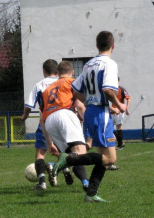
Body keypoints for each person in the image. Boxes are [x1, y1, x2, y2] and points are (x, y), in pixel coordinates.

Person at [53, 31, 126, 203]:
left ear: (96, 45)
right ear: (113, 46)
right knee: (110, 159)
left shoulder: (88, 65)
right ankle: (70, 159)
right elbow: (108, 90)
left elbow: (75, 89)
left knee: (102, 156)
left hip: (92, 111)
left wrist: (91, 101)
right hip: (101, 114)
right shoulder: (109, 64)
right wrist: (119, 104)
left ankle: (91, 193)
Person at [21, 59, 74, 190]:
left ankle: (42, 183)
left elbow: (29, 105)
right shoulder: (62, 82)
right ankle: (66, 168)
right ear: (57, 71)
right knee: (64, 150)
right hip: (62, 121)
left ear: (44, 71)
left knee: (40, 153)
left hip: (46, 121)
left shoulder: (39, 85)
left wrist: (24, 116)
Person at [40, 60, 90, 192]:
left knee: (72, 155)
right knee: (81, 152)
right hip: (65, 115)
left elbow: (42, 119)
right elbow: (79, 105)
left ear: (57, 73)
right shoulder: (72, 82)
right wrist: (89, 125)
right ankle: (54, 165)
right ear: (72, 72)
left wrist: (50, 143)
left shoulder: (47, 90)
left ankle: (86, 183)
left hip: (49, 121)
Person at [111, 77, 131, 151]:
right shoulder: (110, 90)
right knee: (109, 127)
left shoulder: (122, 89)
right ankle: (120, 141)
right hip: (111, 110)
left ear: (118, 82)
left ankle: (120, 145)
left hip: (119, 111)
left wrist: (126, 108)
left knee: (118, 127)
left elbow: (128, 98)